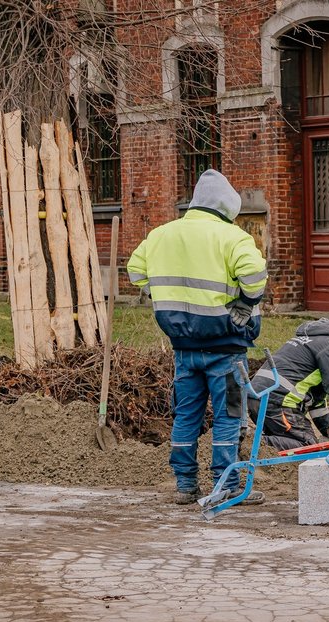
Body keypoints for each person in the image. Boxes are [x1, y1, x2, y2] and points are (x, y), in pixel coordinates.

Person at [127, 169, 268, 505]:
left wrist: (160, 292)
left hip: (183, 347)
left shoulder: (161, 235)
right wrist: (246, 305)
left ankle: (185, 485)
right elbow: (255, 276)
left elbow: (135, 271)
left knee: (186, 415)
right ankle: (225, 486)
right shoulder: (233, 237)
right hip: (226, 347)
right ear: (227, 209)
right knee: (228, 416)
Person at [247, 310, 329, 451]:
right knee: (308, 447)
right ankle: (248, 442)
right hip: (277, 403)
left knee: (290, 439)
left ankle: (254, 443)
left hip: (258, 397)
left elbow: (316, 401)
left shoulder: (313, 340)